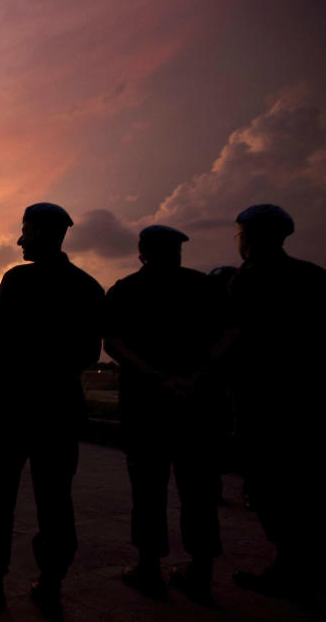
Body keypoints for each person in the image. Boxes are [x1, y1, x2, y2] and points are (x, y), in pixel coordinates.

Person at [0, 203, 103, 621]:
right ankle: (50, 584)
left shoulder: (18, 279)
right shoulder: (89, 287)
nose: (19, 241)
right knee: (56, 500)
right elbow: (90, 352)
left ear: (42, 233)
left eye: (25, 232)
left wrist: (1, 378)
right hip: (60, 407)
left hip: (16, 405)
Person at [224, 204, 326, 601]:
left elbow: (236, 343)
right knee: (310, 489)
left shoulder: (248, 281)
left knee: (270, 489)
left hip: (263, 405)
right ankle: (316, 570)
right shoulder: (319, 278)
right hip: (309, 403)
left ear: (249, 236)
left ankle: (291, 568)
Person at [103, 225, 224, 605]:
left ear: (141, 253)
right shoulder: (205, 288)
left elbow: (114, 344)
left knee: (149, 490)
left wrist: (156, 378)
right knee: (199, 491)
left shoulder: (124, 290)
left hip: (146, 407)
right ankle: (200, 573)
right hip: (197, 406)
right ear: (178, 252)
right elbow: (232, 336)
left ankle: (149, 569)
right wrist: (194, 378)